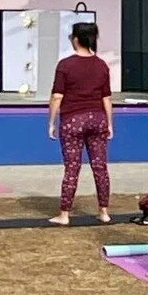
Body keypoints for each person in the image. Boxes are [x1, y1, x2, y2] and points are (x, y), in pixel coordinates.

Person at [47, 20, 115, 226]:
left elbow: (57, 96)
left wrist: (51, 121)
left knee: (72, 167)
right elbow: (106, 98)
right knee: (100, 166)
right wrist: (109, 123)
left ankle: (65, 213)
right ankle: (104, 211)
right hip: (97, 119)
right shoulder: (102, 65)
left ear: (75, 40)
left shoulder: (65, 65)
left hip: (73, 120)